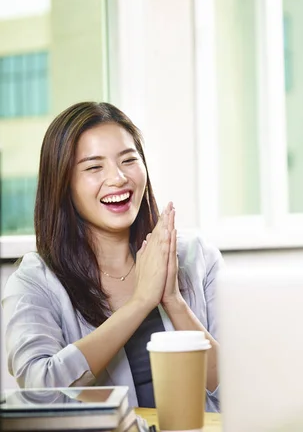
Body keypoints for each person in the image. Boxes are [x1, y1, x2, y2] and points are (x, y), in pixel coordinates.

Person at [2, 102, 222, 411]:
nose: (118, 178)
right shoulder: (35, 281)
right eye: (94, 167)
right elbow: (40, 390)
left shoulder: (194, 256)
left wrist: (173, 301)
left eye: (128, 160)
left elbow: (239, 388)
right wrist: (139, 303)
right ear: (63, 185)